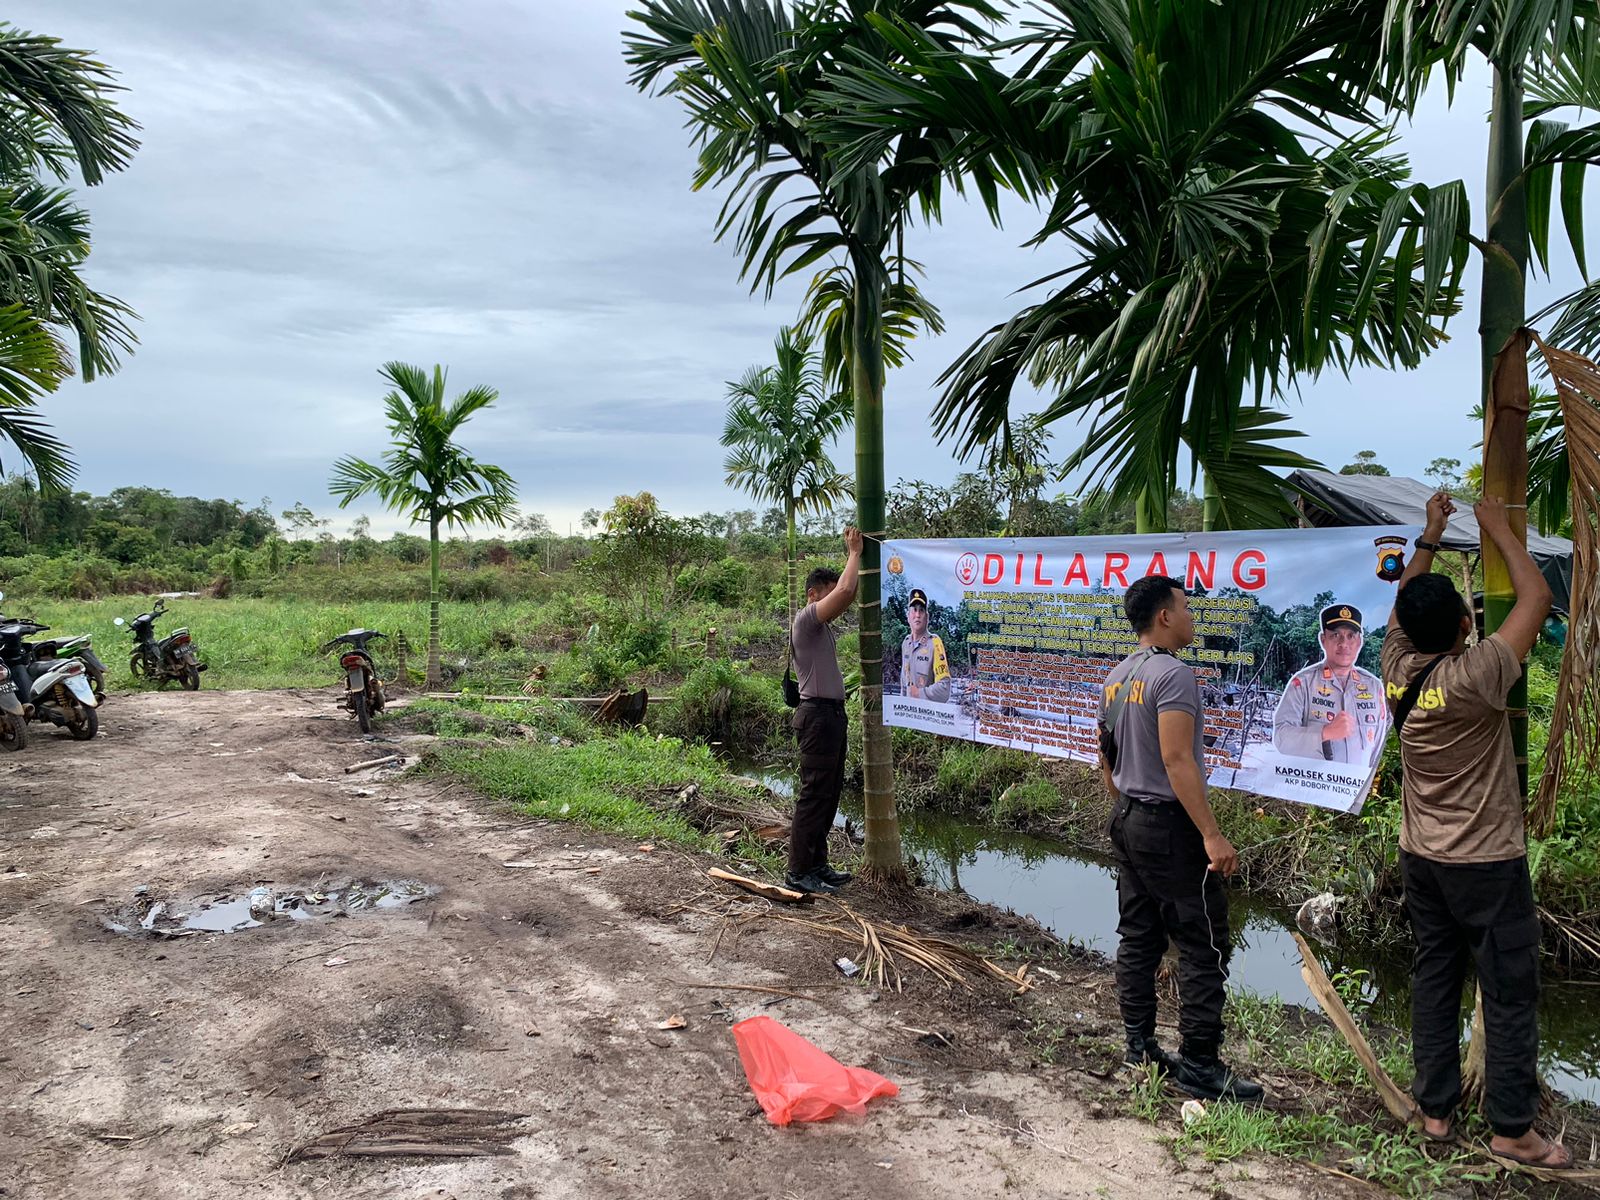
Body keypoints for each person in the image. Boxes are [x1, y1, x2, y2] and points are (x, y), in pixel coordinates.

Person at [1382, 493, 1568, 1168]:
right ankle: (1512, 1129)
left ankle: (1436, 1113)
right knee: (1510, 989)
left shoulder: (1397, 668)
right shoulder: (1476, 675)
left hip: (1421, 858)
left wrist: (1432, 533)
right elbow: (1538, 599)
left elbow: (1407, 603)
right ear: (1466, 623)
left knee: (1435, 977)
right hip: (1485, 863)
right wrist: (1497, 529)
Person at [1098, 575, 1263, 1102]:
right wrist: (1211, 834)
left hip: (1128, 818)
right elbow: (1176, 758)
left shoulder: (1117, 676)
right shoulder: (1174, 676)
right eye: (1186, 608)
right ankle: (1199, 1064)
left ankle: (1139, 1047)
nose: (1192, 617)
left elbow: (1107, 758)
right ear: (1164, 617)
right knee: (1202, 945)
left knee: (1140, 936)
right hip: (1168, 827)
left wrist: (1127, 802)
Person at [786, 527, 863, 896]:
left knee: (829, 794)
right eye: (826, 594)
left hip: (830, 716)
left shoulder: (821, 628)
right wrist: (854, 552)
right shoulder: (806, 620)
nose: (834, 600)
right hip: (816, 716)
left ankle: (818, 864)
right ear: (812, 595)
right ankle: (798, 871)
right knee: (813, 795)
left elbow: (849, 591)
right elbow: (848, 592)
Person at [1273, 603, 1389, 766]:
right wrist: (1324, 733)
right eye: (1335, 635)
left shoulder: (1373, 686)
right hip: (1314, 786)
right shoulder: (1303, 683)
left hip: (1356, 788)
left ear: (1359, 642)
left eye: (1351, 635)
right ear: (1323, 639)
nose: (1343, 643)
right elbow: (1281, 737)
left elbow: (1376, 746)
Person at [899, 588, 951, 701]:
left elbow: (944, 688)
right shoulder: (906, 643)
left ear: (927, 617)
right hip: (907, 713)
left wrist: (919, 693)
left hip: (927, 714)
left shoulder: (934, 643)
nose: (917, 615)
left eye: (921, 610)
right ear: (908, 616)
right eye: (914, 610)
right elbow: (903, 684)